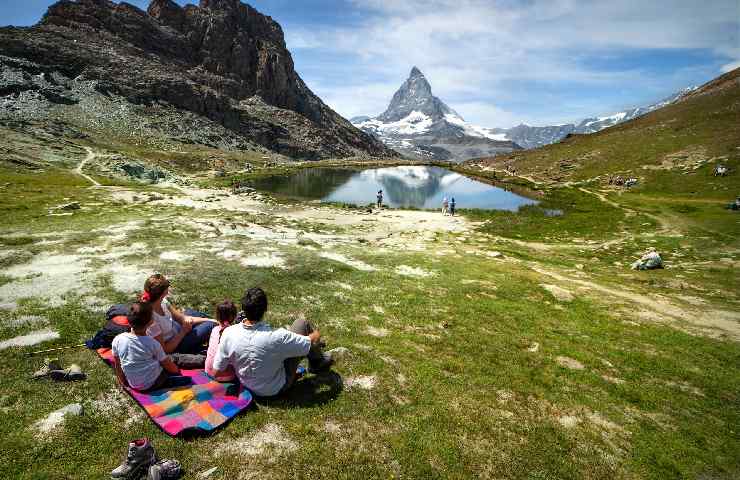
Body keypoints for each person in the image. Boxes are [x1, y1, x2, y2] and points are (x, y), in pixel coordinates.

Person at [212, 287, 333, 397]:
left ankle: (317, 359)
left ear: (243, 309)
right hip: (276, 388)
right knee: (301, 324)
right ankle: (318, 362)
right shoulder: (277, 336)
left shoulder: (228, 333)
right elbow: (308, 341)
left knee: (283, 346)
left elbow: (216, 372)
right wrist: (316, 334)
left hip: (247, 386)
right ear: (265, 309)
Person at [112, 302, 183, 392]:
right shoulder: (152, 343)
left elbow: (118, 364)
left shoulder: (118, 339)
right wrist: (177, 371)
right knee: (174, 358)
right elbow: (167, 364)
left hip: (133, 384)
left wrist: (122, 382)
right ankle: (202, 360)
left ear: (128, 321)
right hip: (153, 383)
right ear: (150, 322)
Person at [142, 274, 216, 354]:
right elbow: (165, 350)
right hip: (176, 345)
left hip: (177, 329)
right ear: (164, 292)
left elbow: (181, 318)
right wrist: (183, 332)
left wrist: (208, 319)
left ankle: (216, 326)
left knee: (199, 315)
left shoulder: (163, 301)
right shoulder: (151, 319)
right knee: (211, 325)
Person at [205, 300, 237, 381]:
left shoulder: (214, 329)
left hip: (209, 372)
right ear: (234, 317)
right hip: (228, 376)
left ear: (217, 317)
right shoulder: (234, 333)